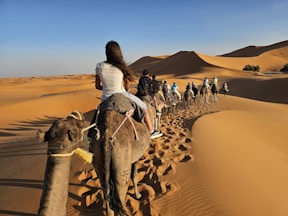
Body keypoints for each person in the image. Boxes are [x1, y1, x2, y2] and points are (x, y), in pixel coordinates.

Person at [95, 40, 162, 139]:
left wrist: (106, 88)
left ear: (106, 53)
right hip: (122, 94)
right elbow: (127, 87)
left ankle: (89, 138)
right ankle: (151, 131)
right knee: (144, 107)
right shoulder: (121, 67)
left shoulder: (99, 66)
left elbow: (97, 86)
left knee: (95, 118)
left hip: (105, 98)